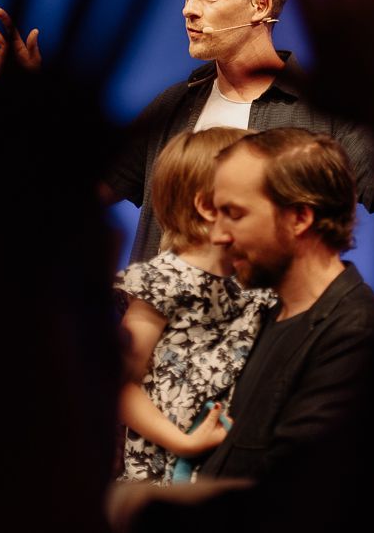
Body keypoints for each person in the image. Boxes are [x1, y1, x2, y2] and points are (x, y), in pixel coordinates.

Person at [0, 0, 374, 264]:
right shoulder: (174, 107)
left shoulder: (323, 112)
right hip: (159, 338)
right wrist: (37, 111)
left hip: (272, 341)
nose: (189, 9)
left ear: (260, 5)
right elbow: (77, 194)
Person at [196, 128, 374, 482]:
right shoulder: (274, 313)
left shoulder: (354, 333)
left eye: (233, 213)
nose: (217, 236)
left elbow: (292, 492)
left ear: (299, 218)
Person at [115, 127, 274, 485]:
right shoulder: (164, 281)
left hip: (229, 462)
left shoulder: (254, 280)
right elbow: (122, 385)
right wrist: (182, 442)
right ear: (208, 206)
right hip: (164, 471)